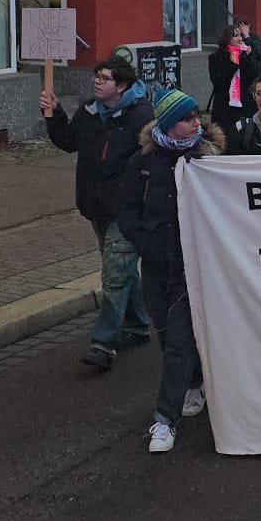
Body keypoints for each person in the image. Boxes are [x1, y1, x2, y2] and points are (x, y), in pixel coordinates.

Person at [118, 90, 221, 454]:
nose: (196, 122)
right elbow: (127, 208)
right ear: (167, 123)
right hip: (155, 263)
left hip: (191, 265)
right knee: (163, 333)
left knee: (178, 340)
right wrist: (143, 240)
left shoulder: (208, 160)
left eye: (197, 116)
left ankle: (165, 420)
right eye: (187, 117)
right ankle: (194, 381)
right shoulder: (143, 162)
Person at [43, 56, 155, 370]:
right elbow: (68, 141)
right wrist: (54, 115)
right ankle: (136, 324)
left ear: (121, 86)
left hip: (127, 209)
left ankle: (103, 343)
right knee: (124, 268)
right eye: (96, 76)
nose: (96, 81)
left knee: (115, 274)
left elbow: (151, 161)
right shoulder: (90, 111)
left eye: (104, 78)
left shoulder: (141, 117)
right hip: (96, 205)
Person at [205, 23, 261, 134]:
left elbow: (255, 76)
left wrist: (247, 58)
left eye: (241, 36)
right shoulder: (216, 57)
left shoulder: (246, 54)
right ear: (227, 38)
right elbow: (218, 81)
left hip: (245, 105)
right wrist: (232, 64)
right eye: (236, 36)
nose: (240, 39)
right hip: (225, 106)